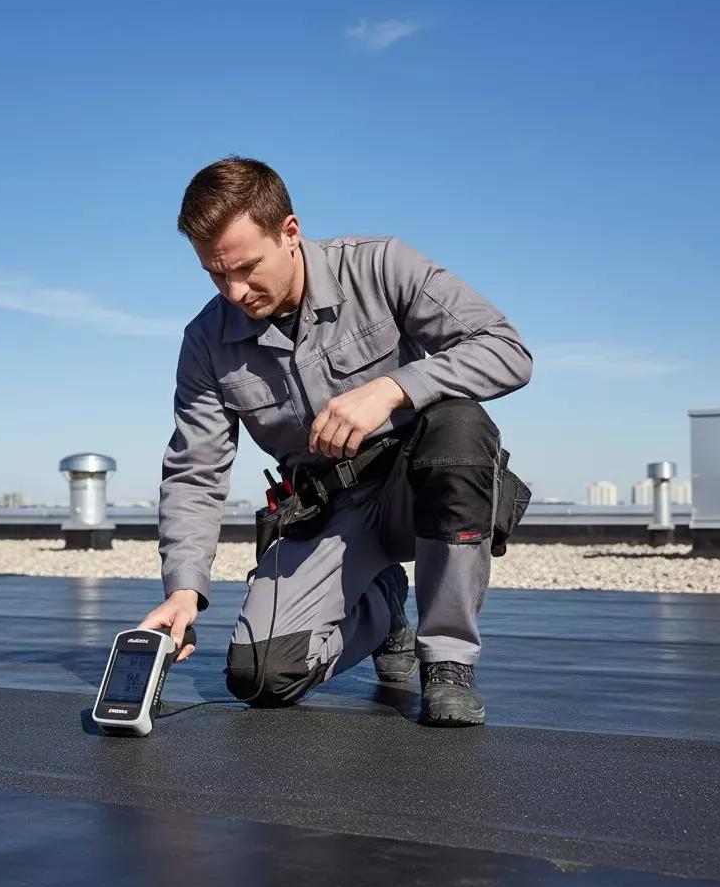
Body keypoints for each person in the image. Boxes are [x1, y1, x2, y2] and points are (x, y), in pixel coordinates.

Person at [139, 156, 532, 726]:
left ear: (290, 232)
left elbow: (506, 350)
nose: (235, 291)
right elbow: (196, 470)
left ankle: (447, 657)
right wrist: (183, 589)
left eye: (247, 268)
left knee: (460, 425)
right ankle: (383, 604)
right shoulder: (206, 340)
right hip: (326, 511)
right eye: (215, 275)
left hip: (414, 488)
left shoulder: (382, 266)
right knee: (261, 676)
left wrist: (394, 388)